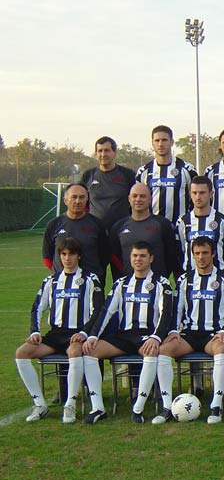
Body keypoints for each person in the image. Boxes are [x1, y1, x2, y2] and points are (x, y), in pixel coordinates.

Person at [79, 241, 174, 424]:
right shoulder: (122, 283)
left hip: (147, 335)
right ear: (130, 258)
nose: (138, 259)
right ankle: (97, 408)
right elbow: (106, 311)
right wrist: (93, 336)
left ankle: (137, 408)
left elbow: (166, 314)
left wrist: (156, 337)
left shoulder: (161, 283)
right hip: (124, 336)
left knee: (151, 352)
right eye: (135, 256)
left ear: (151, 258)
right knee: (90, 351)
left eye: (142, 256)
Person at [15, 238, 104, 423]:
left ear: (78, 255)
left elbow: (97, 310)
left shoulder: (90, 279)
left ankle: (69, 405)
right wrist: (35, 332)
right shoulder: (52, 281)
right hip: (55, 334)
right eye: (63, 254)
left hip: (77, 334)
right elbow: (38, 307)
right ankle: (39, 404)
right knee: (22, 353)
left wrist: (84, 333)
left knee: (73, 352)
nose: (67, 258)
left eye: (71, 254)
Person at [157, 237, 224, 424]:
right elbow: (176, 309)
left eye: (205, 253)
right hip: (189, 335)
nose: (201, 257)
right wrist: (173, 330)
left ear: (213, 253)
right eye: (197, 253)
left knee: (221, 349)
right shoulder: (184, 280)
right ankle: (166, 407)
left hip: (213, 334)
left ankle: (216, 404)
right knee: (163, 350)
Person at [42, 182, 109, 286]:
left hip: (91, 285)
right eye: (74, 197)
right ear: (65, 200)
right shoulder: (53, 225)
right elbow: (47, 257)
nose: (78, 201)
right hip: (61, 285)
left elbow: (104, 256)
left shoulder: (97, 224)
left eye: (82, 197)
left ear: (87, 200)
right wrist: (63, 272)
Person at [108, 183, 178, 280]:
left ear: (150, 199)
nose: (138, 199)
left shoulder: (162, 224)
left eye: (142, 196)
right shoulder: (118, 227)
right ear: (129, 199)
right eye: (135, 196)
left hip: (155, 284)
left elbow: (170, 255)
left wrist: (162, 276)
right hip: (128, 285)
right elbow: (115, 258)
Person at [175, 176, 224, 275]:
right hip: (191, 279)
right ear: (190, 194)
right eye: (194, 193)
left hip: (217, 279)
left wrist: (222, 273)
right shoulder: (183, 221)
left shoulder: (223, 221)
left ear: (211, 194)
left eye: (202, 193)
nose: (198, 197)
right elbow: (179, 251)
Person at [136, 125, 197, 225]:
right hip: (152, 229)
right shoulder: (143, 171)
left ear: (172, 142)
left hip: (180, 228)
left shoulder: (187, 169)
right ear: (152, 143)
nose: (160, 144)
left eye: (164, 140)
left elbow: (199, 196)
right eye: (157, 140)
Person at [80, 136, 137, 232]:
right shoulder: (88, 175)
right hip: (95, 230)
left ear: (114, 153)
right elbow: (82, 201)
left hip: (122, 230)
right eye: (100, 151)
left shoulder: (127, 174)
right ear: (96, 153)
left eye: (107, 150)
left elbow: (135, 201)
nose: (103, 154)